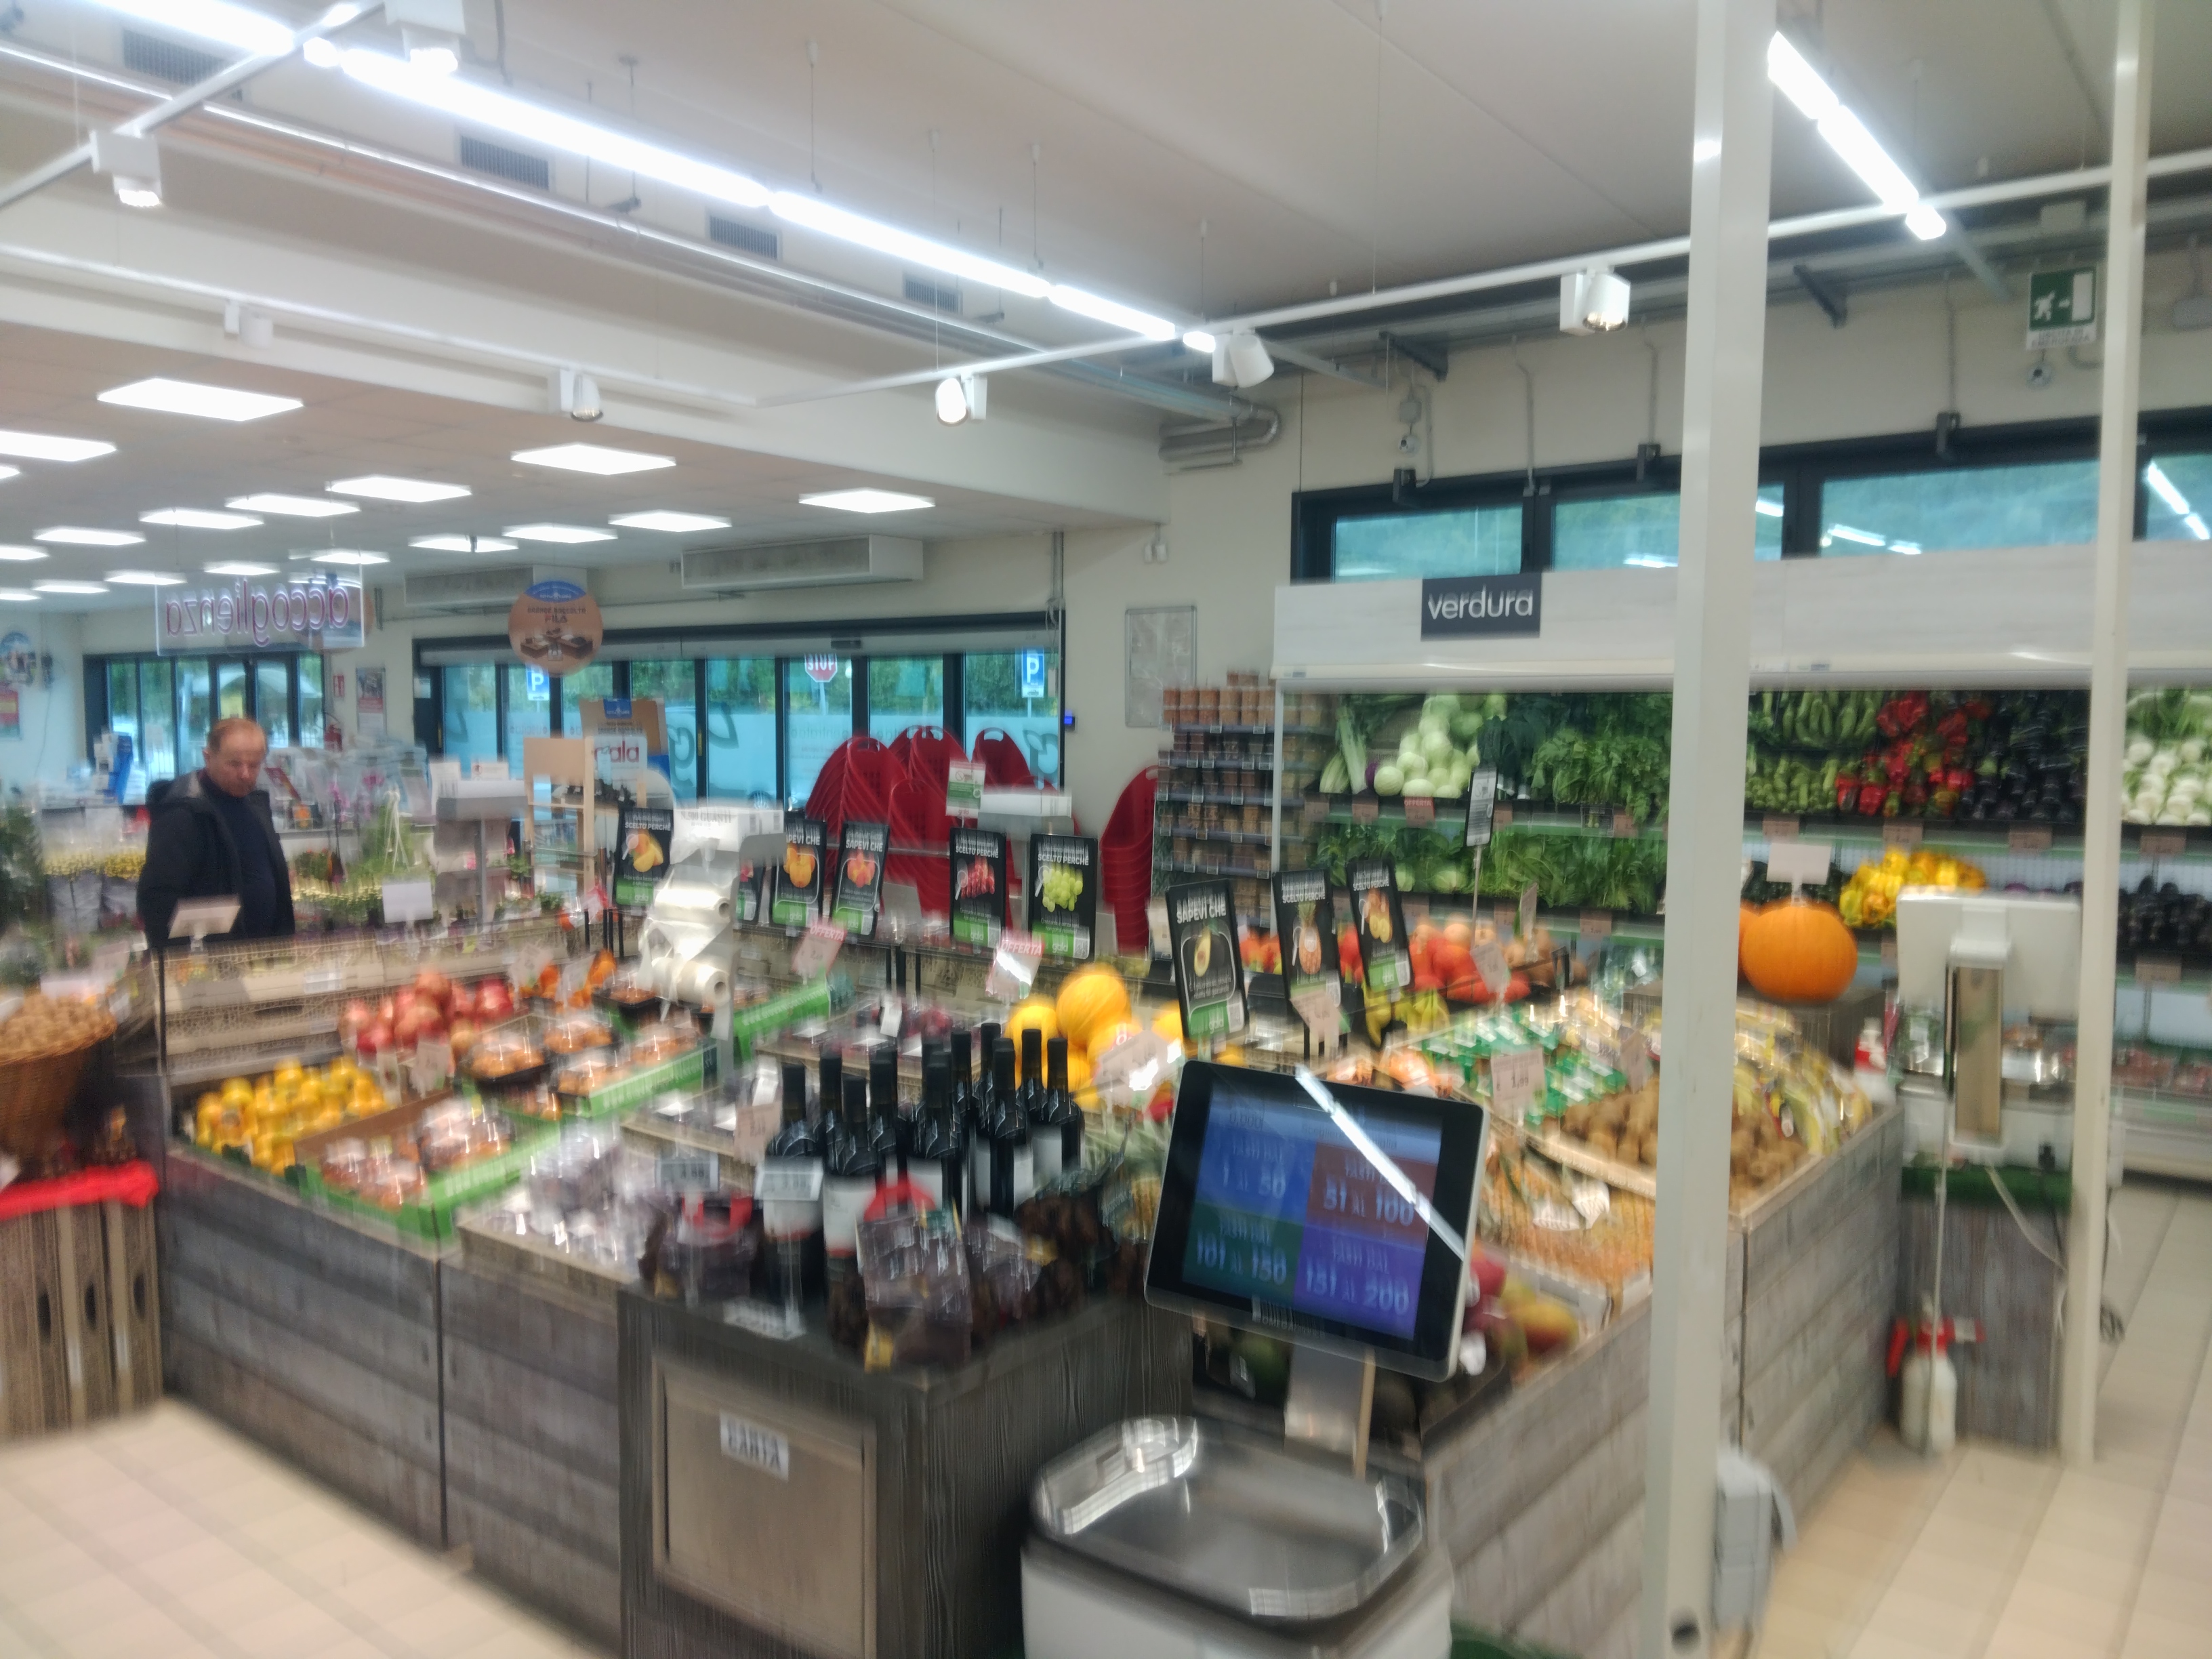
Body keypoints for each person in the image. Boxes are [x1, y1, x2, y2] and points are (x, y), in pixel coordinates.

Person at [140, 716, 296, 949]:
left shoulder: (255, 804)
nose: (245, 774)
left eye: (254, 765)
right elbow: (158, 900)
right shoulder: (182, 813)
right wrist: (181, 961)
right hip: (212, 957)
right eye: (234, 764)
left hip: (265, 952)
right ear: (208, 757)